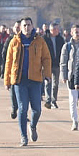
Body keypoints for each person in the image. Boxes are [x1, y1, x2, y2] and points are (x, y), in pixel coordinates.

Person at [4, 17, 52, 146]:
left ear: (32, 26)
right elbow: (8, 61)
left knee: (37, 110)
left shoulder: (39, 41)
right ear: (20, 27)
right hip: (19, 81)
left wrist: (47, 74)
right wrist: (7, 80)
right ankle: (23, 136)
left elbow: (46, 58)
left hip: (35, 80)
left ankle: (33, 125)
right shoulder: (14, 41)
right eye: (24, 25)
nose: (26, 27)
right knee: (22, 108)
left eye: (28, 25)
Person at [61, 24, 79, 130]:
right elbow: (63, 62)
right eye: (76, 32)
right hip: (71, 75)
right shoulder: (67, 46)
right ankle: (74, 121)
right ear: (71, 33)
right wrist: (64, 75)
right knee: (73, 100)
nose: (78, 34)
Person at [43, 22, 66, 109]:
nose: (56, 31)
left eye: (57, 29)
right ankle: (48, 100)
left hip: (57, 64)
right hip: (47, 64)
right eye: (54, 29)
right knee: (48, 82)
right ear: (51, 29)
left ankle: (54, 100)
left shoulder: (60, 39)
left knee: (55, 83)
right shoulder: (45, 38)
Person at [2, 21, 21, 119]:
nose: (18, 29)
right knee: (13, 93)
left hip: (24, 73)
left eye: (19, 27)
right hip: (14, 72)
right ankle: (14, 108)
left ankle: (22, 113)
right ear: (13, 28)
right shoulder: (10, 40)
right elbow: (5, 55)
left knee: (23, 96)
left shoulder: (29, 40)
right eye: (16, 27)